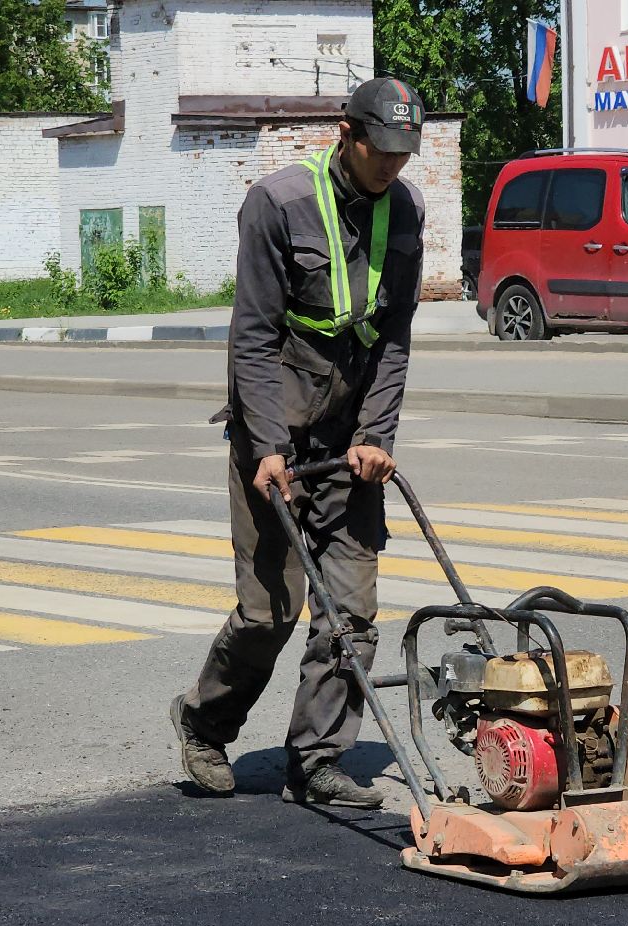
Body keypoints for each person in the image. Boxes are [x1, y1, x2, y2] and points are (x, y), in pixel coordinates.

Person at [172, 78, 427, 809]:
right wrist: (268, 446)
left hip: (350, 440)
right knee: (270, 614)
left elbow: (396, 338)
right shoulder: (278, 203)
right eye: (381, 152)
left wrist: (377, 433)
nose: (392, 168)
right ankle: (203, 721)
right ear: (346, 134)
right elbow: (251, 337)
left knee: (351, 613)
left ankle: (315, 759)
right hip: (275, 431)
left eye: (404, 155)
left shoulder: (405, 207)